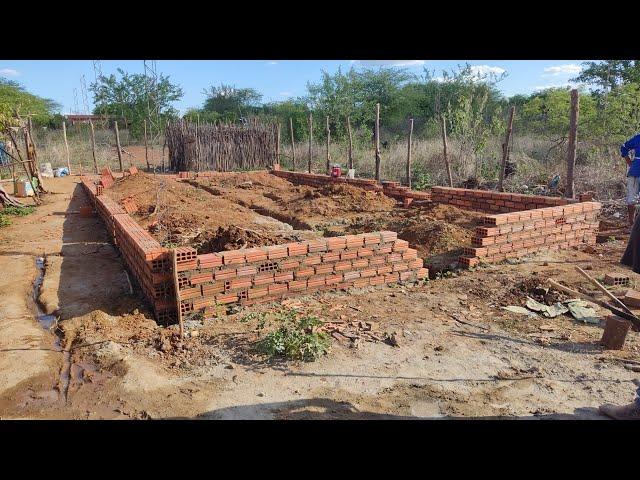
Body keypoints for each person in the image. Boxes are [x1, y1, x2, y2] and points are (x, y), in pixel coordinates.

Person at [620, 133, 640, 225]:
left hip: (634, 171)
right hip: (635, 172)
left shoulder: (637, 138)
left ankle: (633, 224)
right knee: (632, 199)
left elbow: (624, 147)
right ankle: (632, 223)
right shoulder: (638, 138)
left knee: (632, 199)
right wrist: (630, 163)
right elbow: (624, 147)